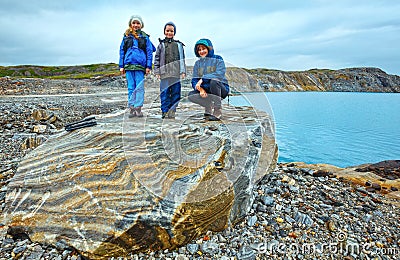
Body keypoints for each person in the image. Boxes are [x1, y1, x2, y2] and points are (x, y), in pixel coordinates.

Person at [119, 15, 155, 118]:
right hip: (129, 66)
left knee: (139, 88)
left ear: (141, 25)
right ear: (130, 24)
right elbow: (122, 51)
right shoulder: (126, 37)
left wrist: (148, 66)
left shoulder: (144, 37)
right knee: (131, 87)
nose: (136, 25)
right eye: (134, 23)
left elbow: (149, 52)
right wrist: (121, 65)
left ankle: (138, 108)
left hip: (140, 66)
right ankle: (132, 108)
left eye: (138, 23)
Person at [188, 38, 229, 121]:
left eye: (203, 49)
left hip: (220, 89)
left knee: (214, 81)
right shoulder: (197, 64)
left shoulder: (218, 59)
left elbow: (220, 73)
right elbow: (194, 80)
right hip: (207, 91)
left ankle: (217, 110)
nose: (201, 51)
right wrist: (200, 89)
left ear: (209, 49)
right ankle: (208, 106)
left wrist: (203, 79)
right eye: (199, 50)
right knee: (191, 95)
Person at [154, 21, 186, 119]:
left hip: (176, 75)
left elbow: (182, 59)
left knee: (176, 93)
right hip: (164, 74)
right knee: (164, 93)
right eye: (167, 31)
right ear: (164, 32)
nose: (169, 33)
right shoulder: (161, 45)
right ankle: (164, 111)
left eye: (171, 31)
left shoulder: (179, 45)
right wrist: (157, 71)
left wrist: (183, 71)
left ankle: (172, 111)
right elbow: (157, 59)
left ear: (174, 32)